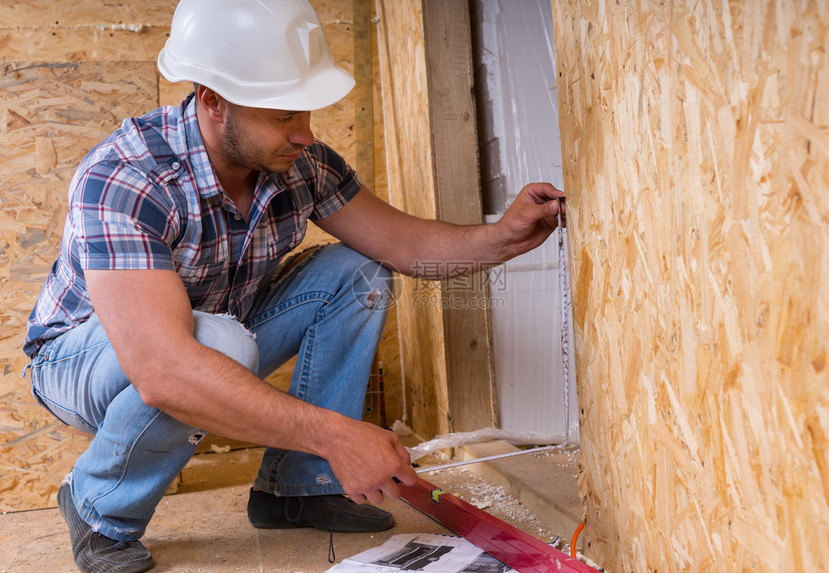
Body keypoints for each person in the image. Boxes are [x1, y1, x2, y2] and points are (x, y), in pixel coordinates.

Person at [22, 0, 564, 571]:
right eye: (283, 115)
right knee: (215, 343)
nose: (305, 133)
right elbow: (163, 370)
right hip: (83, 361)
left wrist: (505, 237)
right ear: (213, 101)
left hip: (213, 339)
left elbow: (405, 248)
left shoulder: (297, 163)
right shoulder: (128, 177)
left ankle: (299, 491)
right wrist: (336, 436)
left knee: (359, 273)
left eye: (306, 111)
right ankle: (98, 507)